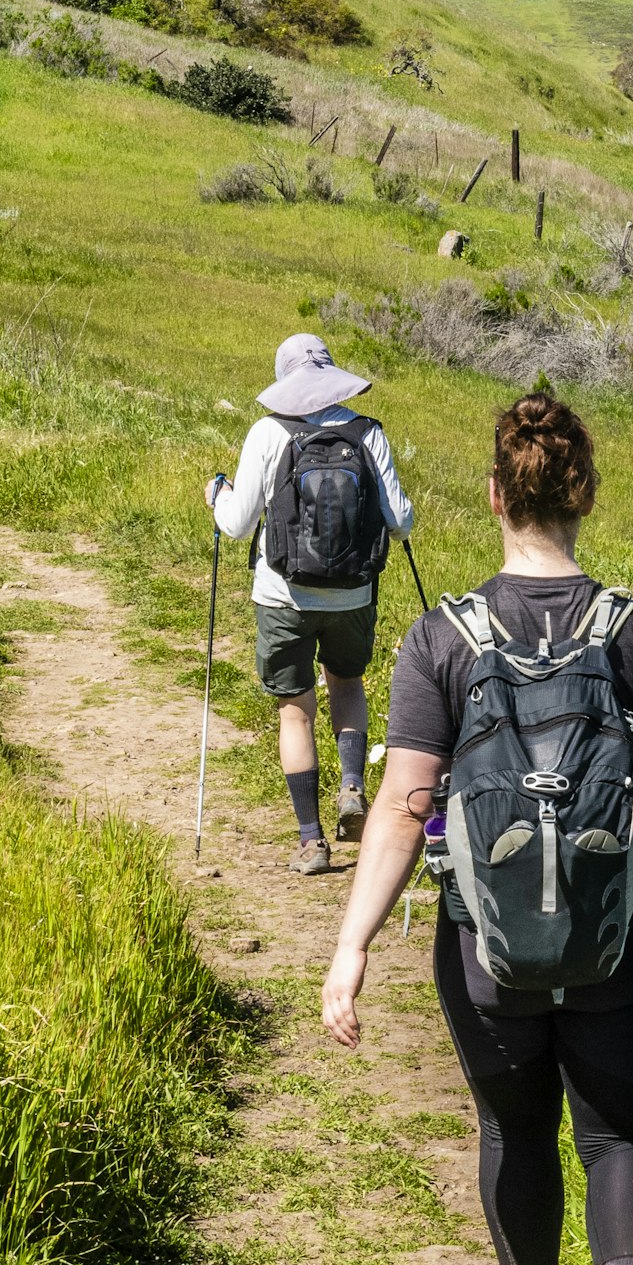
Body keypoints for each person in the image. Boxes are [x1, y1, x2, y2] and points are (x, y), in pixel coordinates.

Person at [321, 393, 633, 1265]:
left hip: (485, 946)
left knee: (514, 1125)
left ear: (495, 494)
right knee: (621, 1134)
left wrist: (349, 950)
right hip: (620, 932)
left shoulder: (441, 638)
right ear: (583, 495)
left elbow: (405, 810)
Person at [208, 334, 415, 871]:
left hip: (282, 593)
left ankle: (310, 842)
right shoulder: (367, 433)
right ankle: (351, 788)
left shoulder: (268, 432)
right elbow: (402, 522)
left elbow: (235, 526)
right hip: (353, 594)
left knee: (294, 712)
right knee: (347, 684)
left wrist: (217, 495)